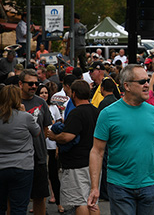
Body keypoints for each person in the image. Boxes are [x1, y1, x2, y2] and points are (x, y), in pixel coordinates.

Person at [88, 64, 154, 215]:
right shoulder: (108, 114)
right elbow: (97, 151)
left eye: (147, 80)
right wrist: (94, 187)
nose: (147, 84)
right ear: (126, 86)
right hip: (120, 186)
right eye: (142, 82)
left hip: (150, 185)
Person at [48, 80, 99, 215]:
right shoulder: (96, 111)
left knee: (80, 202)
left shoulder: (76, 113)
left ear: (74, 94)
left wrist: (54, 137)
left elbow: (67, 137)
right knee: (93, 202)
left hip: (77, 164)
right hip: (93, 162)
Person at [0, 85, 40, 214]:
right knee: (19, 207)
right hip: (22, 165)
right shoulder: (25, 117)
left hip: (1, 165)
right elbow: (37, 131)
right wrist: (24, 112)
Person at [19, 69, 52, 215]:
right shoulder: (13, 102)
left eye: (36, 83)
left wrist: (37, 143)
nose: (34, 86)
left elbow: (45, 129)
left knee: (39, 197)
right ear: (21, 84)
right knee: (16, 198)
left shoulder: (41, 103)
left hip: (38, 158)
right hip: (18, 159)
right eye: (30, 83)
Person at [35, 84, 64, 213]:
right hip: (40, 146)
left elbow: (58, 127)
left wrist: (58, 145)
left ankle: (59, 203)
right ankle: (40, 205)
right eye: (41, 93)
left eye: (46, 92)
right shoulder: (37, 107)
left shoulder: (54, 108)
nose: (44, 95)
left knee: (54, 176)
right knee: (41, 178)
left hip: (52, 146)